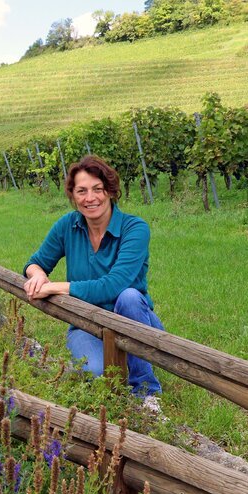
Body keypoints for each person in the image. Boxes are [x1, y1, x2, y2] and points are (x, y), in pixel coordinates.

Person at [23, 155, 163, 407]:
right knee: (101, 374)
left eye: (98, 189)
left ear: (110, 191)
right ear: (73, 195)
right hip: (85, 324)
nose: (90, 198)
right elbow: (34, 262)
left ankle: (146, 391)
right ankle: (127, 361)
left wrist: (58, 286)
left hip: (134, 321)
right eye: (82, 191)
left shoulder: (135, 228)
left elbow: (113, 285)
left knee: (129, 296)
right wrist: (39, 274)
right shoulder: (68, 225)